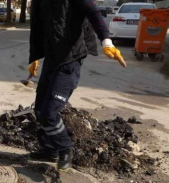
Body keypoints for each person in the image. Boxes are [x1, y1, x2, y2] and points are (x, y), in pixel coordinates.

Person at [28, 0, 126, 171]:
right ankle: (50, 150)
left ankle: (65, 149)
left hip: (69, 60)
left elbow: (93, 12)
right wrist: (35, 56)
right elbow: (38, 27)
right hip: (51, 60)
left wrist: (106, 41)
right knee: (39, 110)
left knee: (49, 113)